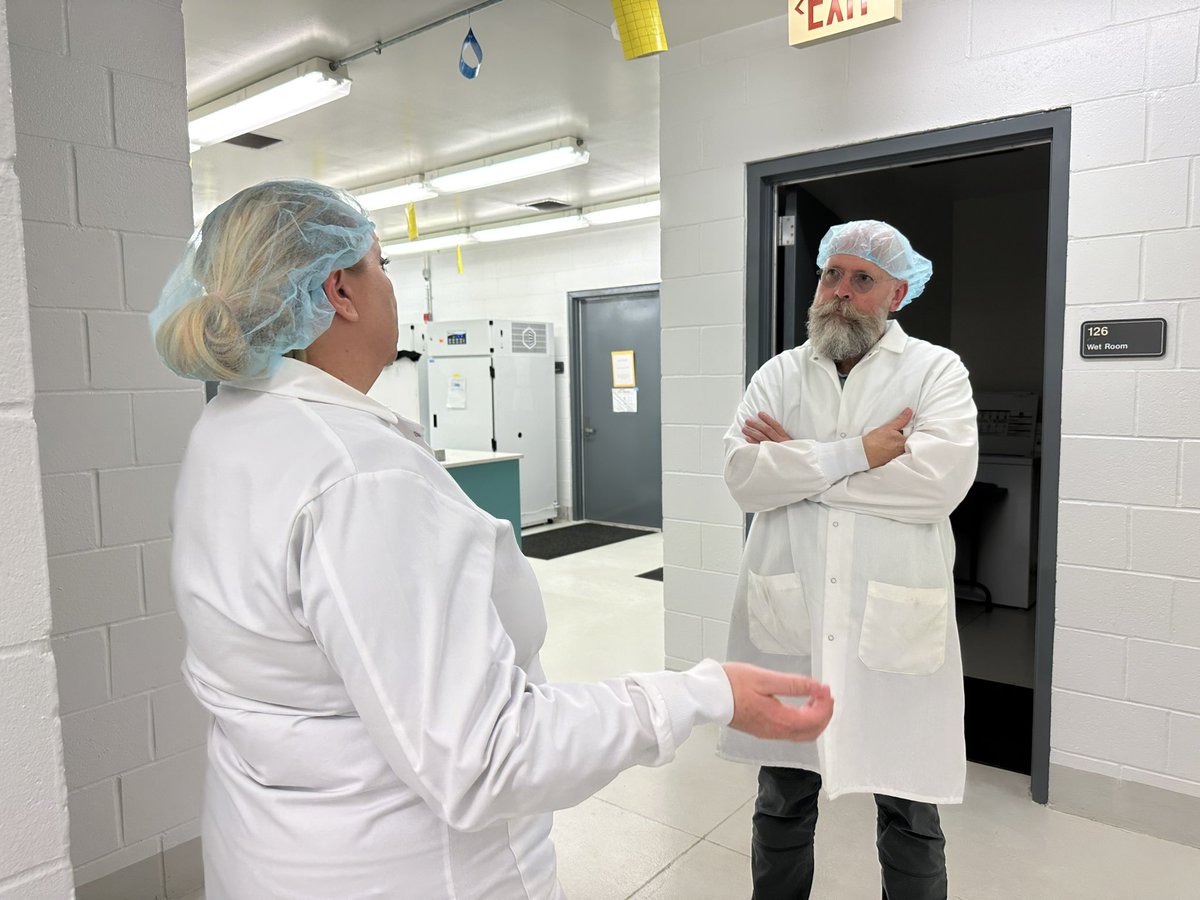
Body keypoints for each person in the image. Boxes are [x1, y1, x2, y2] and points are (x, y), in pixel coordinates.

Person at [149, 179, 834, 900]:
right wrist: (701, 694)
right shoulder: (361, 478)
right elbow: (485, 757)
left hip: (269, 845)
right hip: (406, 870)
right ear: (339, 292)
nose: (391, 286)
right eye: (381, 265)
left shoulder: (231, 430)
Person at [717, 220, 979, 900]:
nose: (840, 292)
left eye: (862, 279)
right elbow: (744, 478)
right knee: (782, 798)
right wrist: (857, 452)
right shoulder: (779, 373)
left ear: (897, 294)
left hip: (891, 625)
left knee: (910, 812)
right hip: (793, 622)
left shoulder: (935, 371)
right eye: (831, 275)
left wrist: (798, 462)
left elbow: (936, 486)